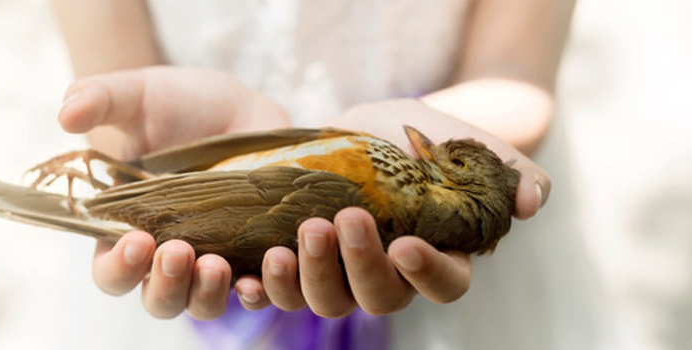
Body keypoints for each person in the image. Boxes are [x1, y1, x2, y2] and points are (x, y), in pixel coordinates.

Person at [48, 0, 601, 349]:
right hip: (203, 165)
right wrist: (149, 161)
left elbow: (513, 72)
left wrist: (450, 133)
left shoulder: (423, 165)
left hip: (441, 270)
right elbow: (111, 76)